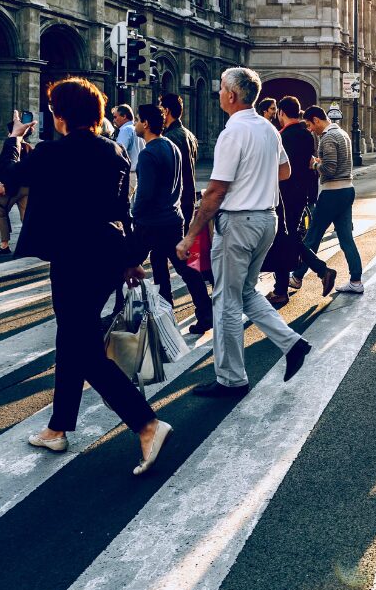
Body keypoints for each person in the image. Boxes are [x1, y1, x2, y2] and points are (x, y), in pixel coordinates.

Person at [0, 79, 171, 475]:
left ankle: (146, 424)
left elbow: (7, 173)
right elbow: (122, 208)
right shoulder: (113, 150)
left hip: (73, 258)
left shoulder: (52, 153)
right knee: (73, 337)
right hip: (108, 255)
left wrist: (13, 137)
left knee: (83, 348)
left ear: (60, 115)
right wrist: (130, 259)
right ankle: (58, 427)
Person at [176, 67, 312, 398]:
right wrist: (256, 178)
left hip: (238, 222)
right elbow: (285, 171)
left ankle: (231, 379)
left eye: (221, 88)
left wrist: (190, 234)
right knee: (246, 292)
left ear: (232, 95)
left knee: (224, 301)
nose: (219, 92)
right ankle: (292, 343)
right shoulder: (268, 129)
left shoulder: (232, 133)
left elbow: (215, 191)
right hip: (266, 220)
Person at [132, 103, 213, 332]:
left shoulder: (148, 154)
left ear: (146, 123)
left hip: (151, 222)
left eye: (138, 119)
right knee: (181, 267)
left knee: (128, 264)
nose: (136, 124)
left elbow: (144, 193)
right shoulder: (171, 146)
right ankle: (203, 312)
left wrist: (134, 213)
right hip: (173, 218)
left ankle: (154, 315)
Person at [287, 105, 363, 295]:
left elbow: (329, 168)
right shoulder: (343, 133)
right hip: (347, 189)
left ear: (317, 120)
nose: (310, 129)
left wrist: (314, 163)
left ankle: (296, 277)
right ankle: (356, 280)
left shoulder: (328, 137)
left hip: (332, 192)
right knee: (346, 238)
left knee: (312, 236)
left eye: (310, 125)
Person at [267, 96, 317, 307]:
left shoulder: (282, 136)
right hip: (301, 193)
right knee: (291, 237)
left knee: (283, 240)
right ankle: (321, 270)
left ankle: (280, 290)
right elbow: (310, 166)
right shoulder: (308, 135)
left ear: (281, 113)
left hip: (284, 194)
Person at [0, 119, 31, 257]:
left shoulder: (12, 145)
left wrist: (1, 184)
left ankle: (4, 245)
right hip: (26, 188)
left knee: (1, 213)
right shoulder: (29, 147)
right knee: (26, 216)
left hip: (11, 189)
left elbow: (5, 168)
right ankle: (29, 244)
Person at [160, 93, 199, 232]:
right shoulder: (189, 135)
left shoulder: (169, 138)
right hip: (188, 199)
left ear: (166, 110)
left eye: (161, 108)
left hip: (175, 203)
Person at [113, 104, 144, 196]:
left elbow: (119, 153)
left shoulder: (125, 130)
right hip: (138, 175)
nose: (114, 120)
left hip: (129, 175)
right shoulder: (137, 129)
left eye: (115, 117)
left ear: (124, 116)